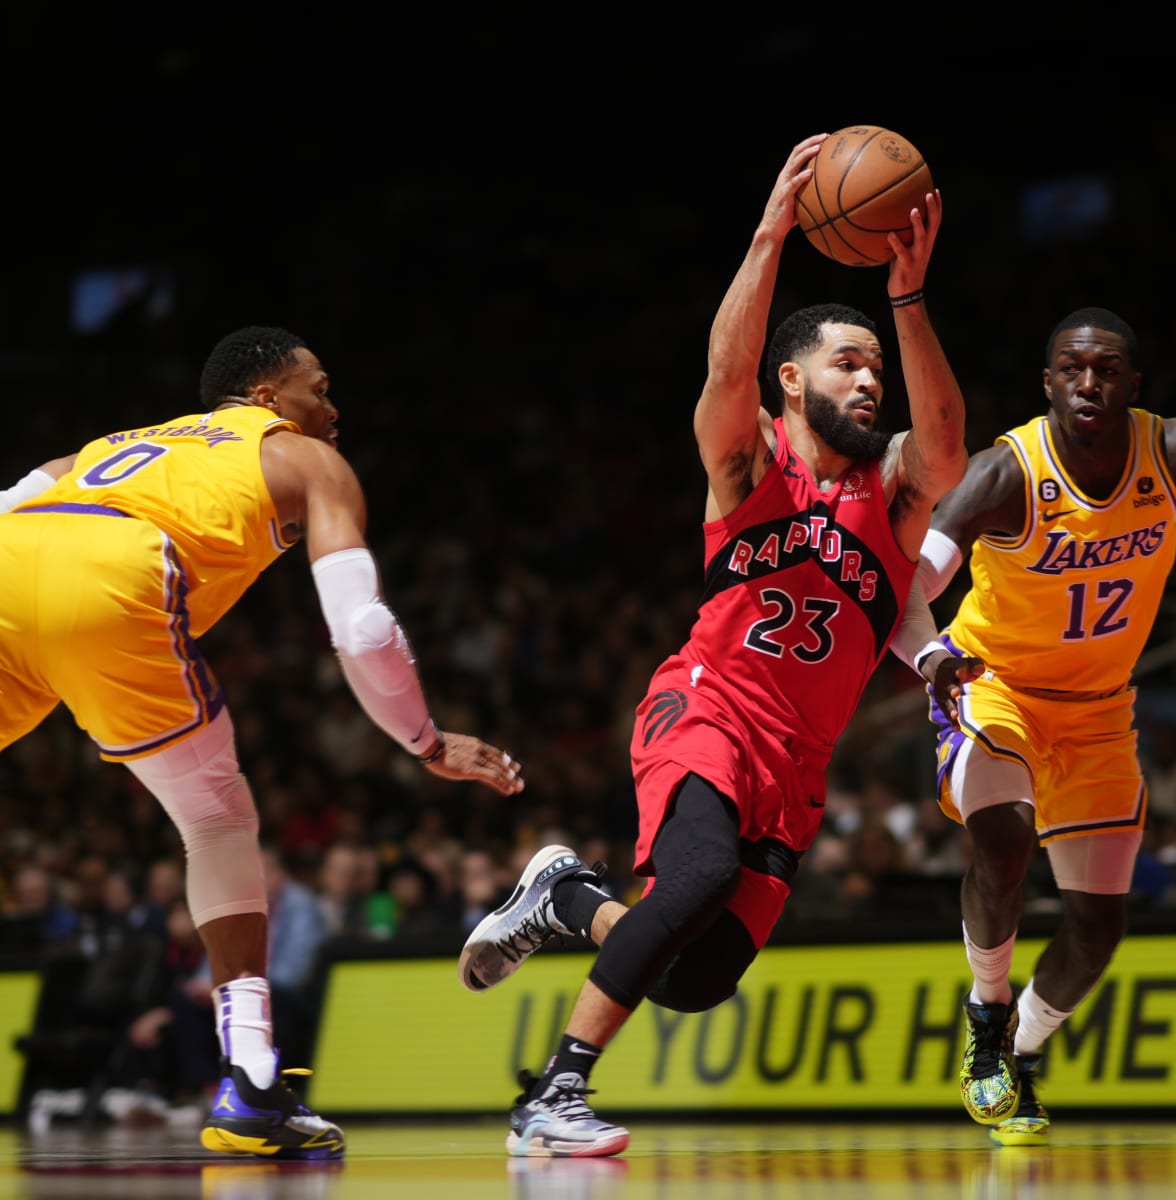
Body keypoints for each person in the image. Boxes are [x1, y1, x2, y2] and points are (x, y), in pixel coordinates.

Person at [456, 133, 967, 1158]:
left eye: (876, 368)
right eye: (848, 363)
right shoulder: (752, 460)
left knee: (693, 975)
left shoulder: (897, 491)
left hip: (797, 763)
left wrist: (908, 301)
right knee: (688, 887)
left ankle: (566, 898)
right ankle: (550, 1095)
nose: (871, 383)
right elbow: (724, 365)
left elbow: (949, 436)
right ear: (792, 381)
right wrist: (774, 228)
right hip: (709, 707)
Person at [0, 326, 525, 1159]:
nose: (333, 406)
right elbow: (360, 625)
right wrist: (426, 743)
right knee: (216, 822)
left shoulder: (119, 444)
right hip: (107, 575)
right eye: (318, 387)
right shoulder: (308, 462)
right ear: (265, 397)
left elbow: (12, 502)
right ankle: (249, 1081)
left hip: (15, 553)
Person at [886, 305, 1176, 1145]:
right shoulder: (1004, 473)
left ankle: (1015, 1052)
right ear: (1048, 381)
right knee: (1006, 837)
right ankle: (985, 1012)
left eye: (1108, 370)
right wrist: (932, 662)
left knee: (1098, 927)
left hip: (1098, 712)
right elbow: (908, 586)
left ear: (1134, 383)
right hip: (996, 685)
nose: (1090, 383)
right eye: (1072, 368)